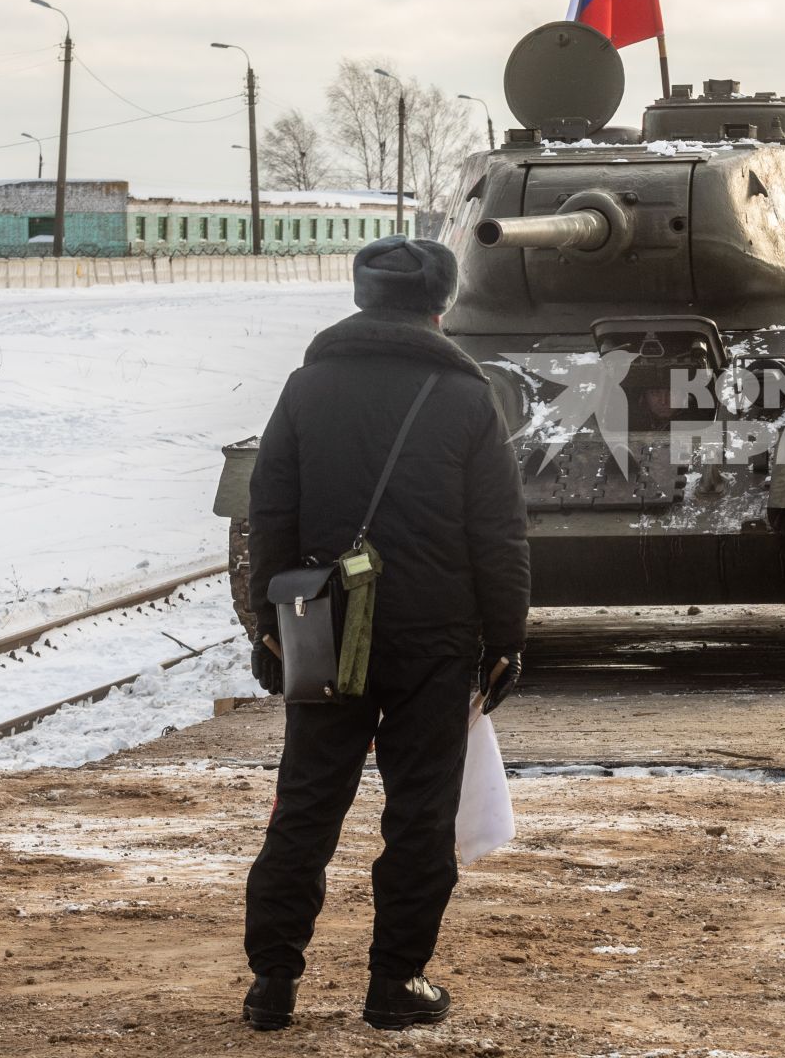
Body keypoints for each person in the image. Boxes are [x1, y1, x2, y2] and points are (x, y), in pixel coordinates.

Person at [241, 236, 532, 1033]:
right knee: (419, 815)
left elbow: (270, 510)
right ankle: (394, 985)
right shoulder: (468, 398)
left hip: (327, 629)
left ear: (362, 296)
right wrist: (506, 637)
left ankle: (272, 981)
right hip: (433, 638)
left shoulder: (307, 387)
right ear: (442, 306)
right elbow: (499, 532)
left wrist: (271, 626)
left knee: (303, 806)